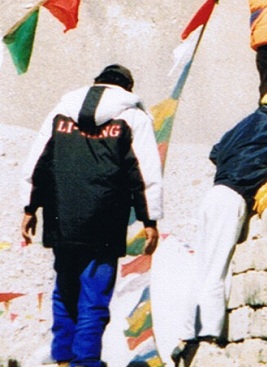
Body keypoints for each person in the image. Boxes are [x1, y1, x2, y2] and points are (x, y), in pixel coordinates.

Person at [21, 63, 163, 367]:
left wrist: (29, 209)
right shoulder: (133, 117)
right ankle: (85, 361)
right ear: (127, 88)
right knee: (94, 297)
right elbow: (145, 171)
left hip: (62, 219)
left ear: (96, 83)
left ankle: (62, 358)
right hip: (106, 220)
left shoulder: (60, 112)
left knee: (65, 290)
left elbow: (38, 164)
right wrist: (150, 220)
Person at [173, 88, 267, 361]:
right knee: (218, 268)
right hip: (232, 198)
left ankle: (187, 333)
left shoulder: (242, 125)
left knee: (202, 266)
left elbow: (215, 152)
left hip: (213, 195)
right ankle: (208, 334)